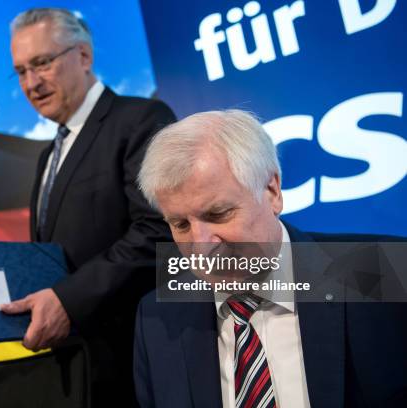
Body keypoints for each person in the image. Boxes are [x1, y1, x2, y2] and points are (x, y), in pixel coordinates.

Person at [134, 110, 407, 407]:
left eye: (218, 214)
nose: (201, 248)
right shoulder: (156, 317)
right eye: (181, 225)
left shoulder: (383, 270)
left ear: (272, 191)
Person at [0, 8, 176, 406]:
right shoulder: (48, 157)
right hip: (80, 371)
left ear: (83, 56)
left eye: (42, 63)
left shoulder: (141, 119)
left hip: (139, 361)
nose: (31, 83)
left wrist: (69, 300)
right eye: (21, 71)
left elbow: (159, 231)